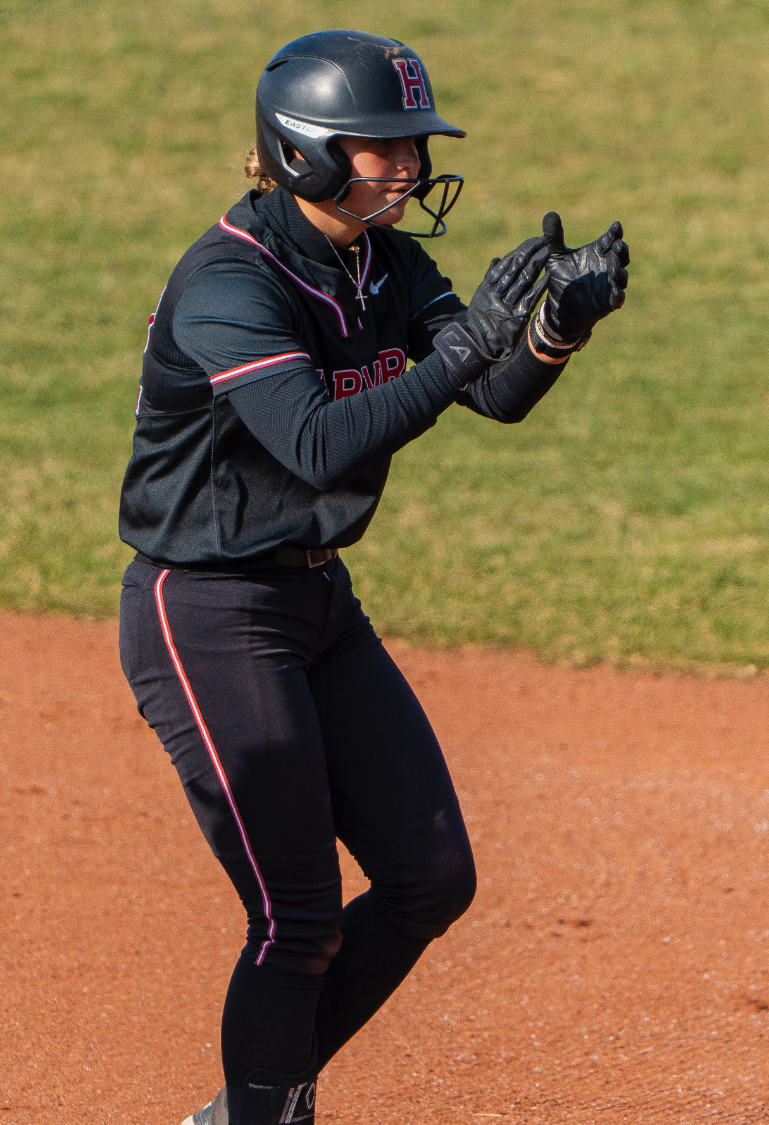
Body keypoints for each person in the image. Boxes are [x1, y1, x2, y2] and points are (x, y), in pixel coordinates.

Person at [115, 29, 629, 1125]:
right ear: (299, 150)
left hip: (315, 604)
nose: (405, 165)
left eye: (413, 144)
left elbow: (487, 393)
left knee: (429, 877)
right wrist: (454, 355)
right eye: (380, 146)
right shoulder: (226, 281)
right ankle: (262, 1111)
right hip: (206, 611)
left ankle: (258, 1100)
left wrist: (554, 330)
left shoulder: (380, 259)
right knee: (293, 917)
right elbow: (314, 442)